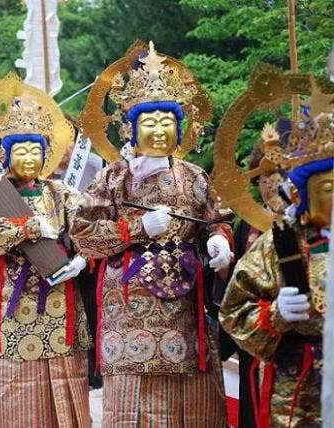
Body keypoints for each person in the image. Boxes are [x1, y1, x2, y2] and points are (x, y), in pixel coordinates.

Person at [71, 42, 231, 427]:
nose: (159, 130)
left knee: (192, 398)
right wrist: (138, 227)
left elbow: (217, 217)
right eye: (150, 122)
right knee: (134, 397)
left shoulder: (195, 176)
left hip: (185, 301)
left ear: (180, 127)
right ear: (131, 127)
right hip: (130, 306)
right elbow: (82, 233)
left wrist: (220, 240)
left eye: (167, 122)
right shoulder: (113, 178)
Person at [0, 76, 92, 427]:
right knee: (16, 383)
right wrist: (28, 227)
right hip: (14, 301)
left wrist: (83, 257)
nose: (30, 157)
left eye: (36, 150)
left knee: (66, 373)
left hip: (61, 297)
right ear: (4, 154)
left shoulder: (59, 193)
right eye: (21, 150)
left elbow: (89, 222)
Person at [221, 97, 333, 427]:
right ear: (305, 193)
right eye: (328, 187)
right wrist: (275, 315)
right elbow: (233, 310)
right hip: (301, 379)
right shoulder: (280, 241)